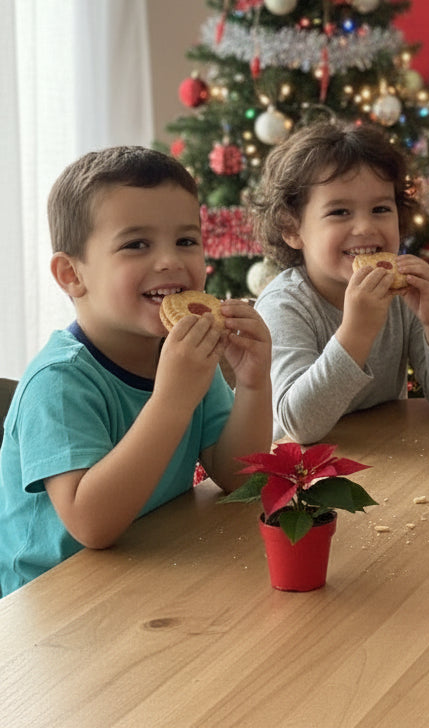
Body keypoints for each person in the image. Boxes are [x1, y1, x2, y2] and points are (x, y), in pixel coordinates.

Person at [0, 147, 272, 596]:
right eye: (136, 244)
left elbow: (238, 475)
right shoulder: (59, 382)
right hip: (51, 607)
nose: (170, 261)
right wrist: (171, 399)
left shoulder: (182, 354)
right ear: (71, 274)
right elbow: (92, 525)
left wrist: (252, 382)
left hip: (149, 570)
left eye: (186, 241)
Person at [250, 119, 429, 444]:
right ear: (292, 228)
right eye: (340, 212)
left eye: (380, 209)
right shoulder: (285, 304)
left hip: (384, 462)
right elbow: (300, 425)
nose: (364, 227)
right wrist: (356, 332)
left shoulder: (401, 294)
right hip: (303, 478)